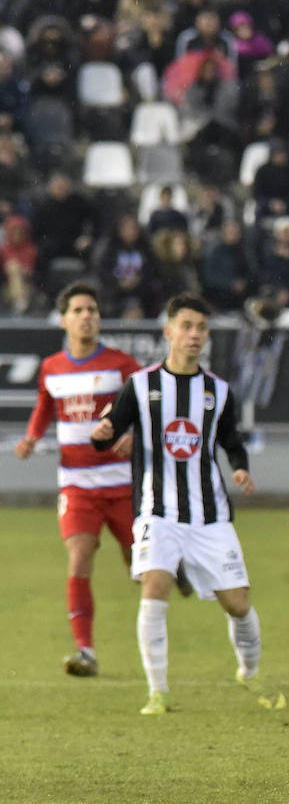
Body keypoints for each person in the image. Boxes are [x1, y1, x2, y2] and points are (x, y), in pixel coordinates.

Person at [91, 294, 283, 716]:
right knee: (154, 587)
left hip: (209, 516)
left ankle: (250, 672)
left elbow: (231, 440)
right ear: (169, 331)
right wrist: (102, 434)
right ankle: (157, 691)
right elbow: (109, 430)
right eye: (187, 326)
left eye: (201, 328)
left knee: (238, 604)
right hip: (157, 512)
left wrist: (240, 468)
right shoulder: (141, 386)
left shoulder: (218, 391)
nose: (194, 334)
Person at [14, 284, 142, 677]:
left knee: (140, 565)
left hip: (122, 484)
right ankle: (85, 651)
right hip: (77, 484)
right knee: (79, 557)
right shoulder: (52, 367)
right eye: (78, 310)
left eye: (92, 310)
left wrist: (135, 434)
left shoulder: (121, 364)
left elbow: (149, 406)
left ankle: (169, 575)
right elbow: (44, 406)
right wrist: (32, 437)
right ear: (64, 319)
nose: (87, 316)